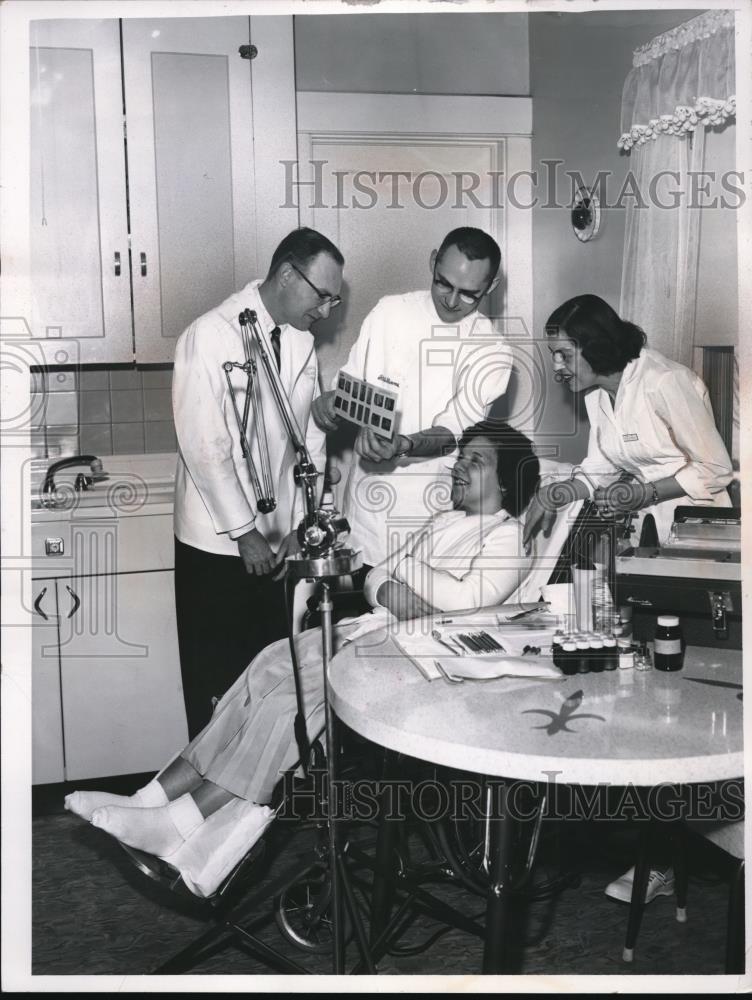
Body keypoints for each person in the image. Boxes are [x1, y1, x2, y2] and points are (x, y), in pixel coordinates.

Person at [64, 421, 539, 895]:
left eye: (477, 461)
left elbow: (454, 603)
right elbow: (380, 582)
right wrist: (392, 583)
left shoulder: (508, 538)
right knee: (266, 667)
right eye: (463, 457)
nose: (461, 466)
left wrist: (396, 576)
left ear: (505, 482)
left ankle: (182, 820)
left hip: (415, 658)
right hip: (376, 633)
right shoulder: (446, 521)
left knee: (289, 706)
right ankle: (150, 799)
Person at [522, 293, 733, 904]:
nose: (558, 367)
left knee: (675, 697)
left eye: (564, 355)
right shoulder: (597, 394)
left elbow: (714, 469)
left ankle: (668, 857)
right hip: (640, 540)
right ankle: (626, 829)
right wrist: (557, 495)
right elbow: (597, 467)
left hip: (693, 543)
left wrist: (643, 492)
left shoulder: (667, 383)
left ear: (593, 346)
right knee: (617, 670)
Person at [172, 228, 345, 738]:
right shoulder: (209, 335)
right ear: (288, 274)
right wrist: (246, 533)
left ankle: (259, 805)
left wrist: (302, 521)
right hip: (221, 539)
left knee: (267, 674)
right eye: (323, 295)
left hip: (276, 538)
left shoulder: (299, 340)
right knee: (217, 680)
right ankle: (203, 808)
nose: (328, 310)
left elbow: (307, 438)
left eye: (335, 298)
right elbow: (205, 447)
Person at [312, 227, 513, 578]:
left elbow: (453, 431)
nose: (451, 301)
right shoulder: (389, 312)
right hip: (366, 517)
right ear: (433, 261)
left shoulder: (493, 351)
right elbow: (350, 386)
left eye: (469, 295)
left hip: (430, 521)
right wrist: (329, 405)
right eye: (443, 283)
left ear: (491, 287)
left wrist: (404, 445)